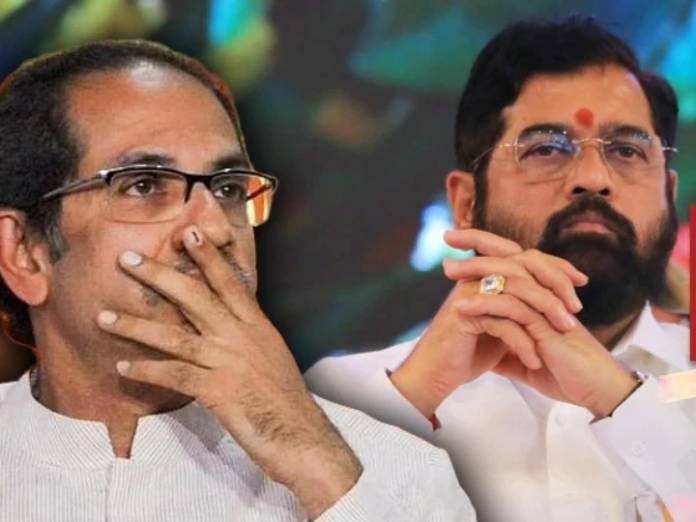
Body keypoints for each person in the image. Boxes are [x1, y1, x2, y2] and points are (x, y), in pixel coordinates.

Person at [0, 40, 475, 521]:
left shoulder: (396, 476)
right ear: (24, 253)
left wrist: (314, 461)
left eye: (227, 189)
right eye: (144, 185)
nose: (214, 229)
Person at [305, 16, 695, 522]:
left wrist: (622, 401)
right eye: (546, 149)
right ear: (466, 204)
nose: (593, 178)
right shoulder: (344, 398)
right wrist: (409, 401)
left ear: (668, 194)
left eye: (627, 150)